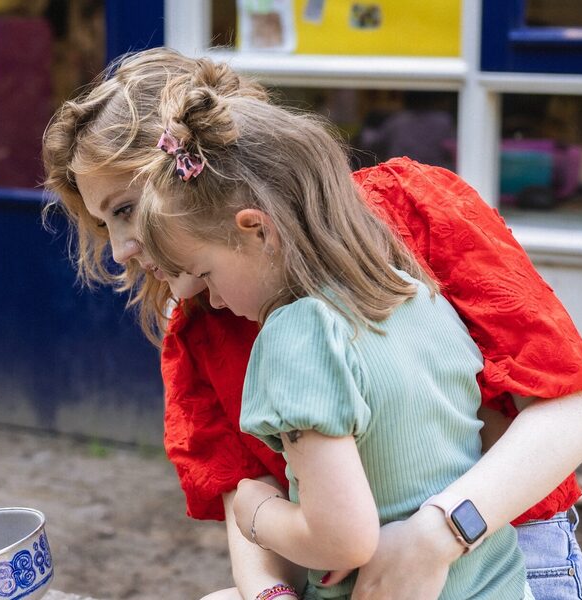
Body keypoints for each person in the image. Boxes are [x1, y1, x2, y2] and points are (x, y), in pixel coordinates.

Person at [41, 48, 582, 600]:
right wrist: (269, 592)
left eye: (125, 209)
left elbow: (575, 413)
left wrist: (434, 538)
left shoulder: (411, 209)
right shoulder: (201, 322)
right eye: (103, 224)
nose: (119, 249)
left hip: (504, 549)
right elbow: (253, 495)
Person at [135, 73, 532, 599]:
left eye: (206, 274)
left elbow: (342, 541)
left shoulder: (298, 335)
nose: (214, 301)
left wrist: (256, 511)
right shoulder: (416, 292)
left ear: (258, 230)